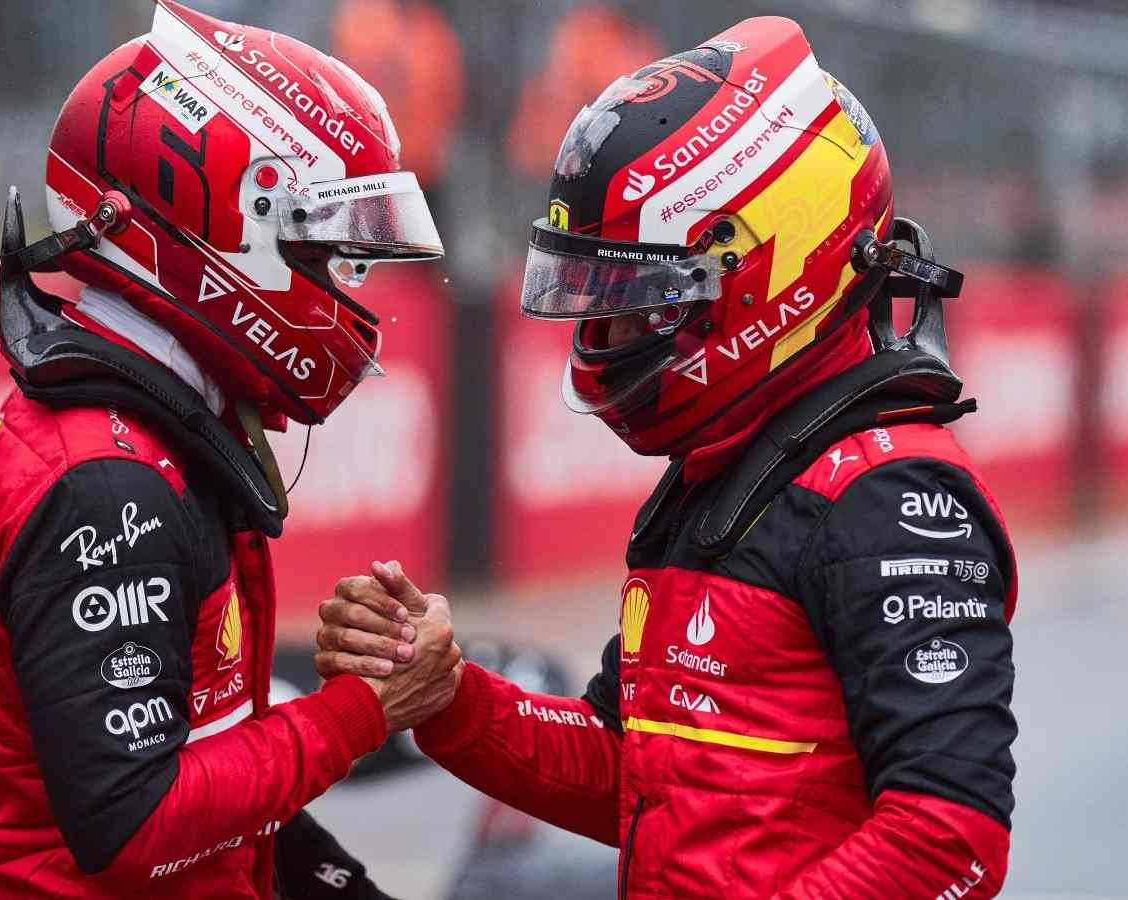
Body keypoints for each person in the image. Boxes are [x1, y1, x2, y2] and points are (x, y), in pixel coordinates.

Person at [317, 17, 1018, 899]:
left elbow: (948, 838)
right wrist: (448, 695)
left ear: (769, 270)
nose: (605, 336)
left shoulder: (891, 496)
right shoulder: (730, 469)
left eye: (640, 299)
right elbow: (629, 770)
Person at [0, 2, 461, 897]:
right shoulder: (106, 484)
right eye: (321, 250)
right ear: (231, 226)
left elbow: (205, 782)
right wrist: (362, 712)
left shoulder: (149, 430)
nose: (344, 290)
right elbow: (137, 827)